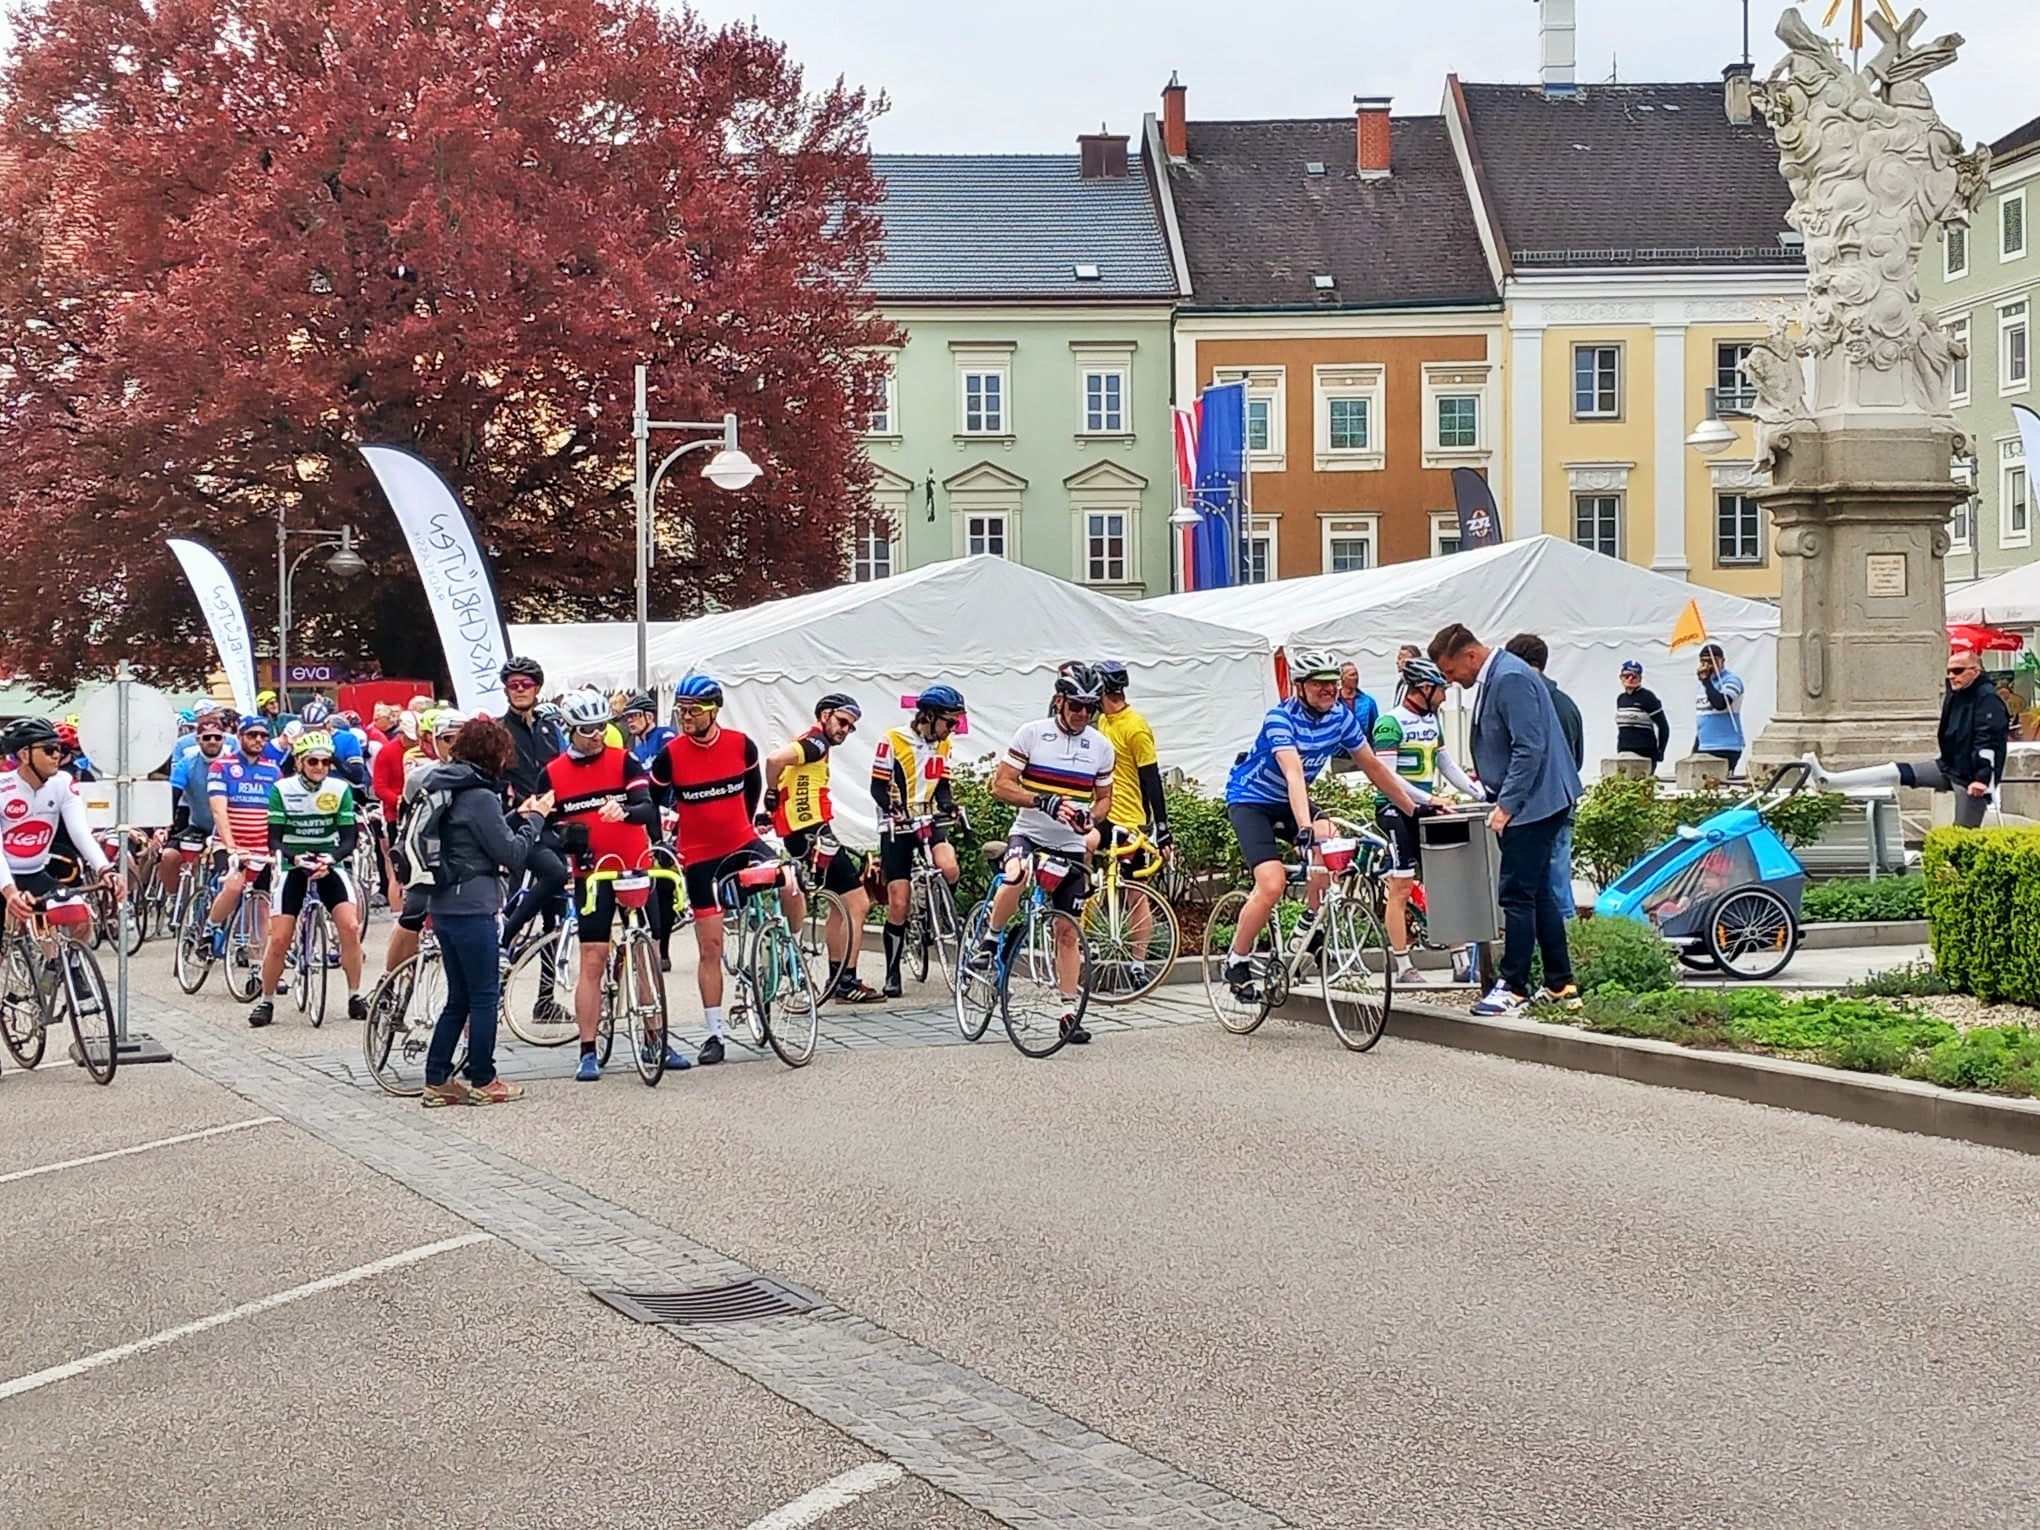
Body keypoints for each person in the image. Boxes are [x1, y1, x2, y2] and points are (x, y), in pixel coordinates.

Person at [1220, 649, 1422, 1001]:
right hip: (1252, 801)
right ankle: (1237, 958)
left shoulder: (1341, 717)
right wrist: (1304, 826)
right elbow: (1294, 773)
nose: (1329, 690)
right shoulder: (1279, 719)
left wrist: (1411, 809)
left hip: (1289, 801)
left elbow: (1374, 767)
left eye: (1333, 683)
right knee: (1271, 885)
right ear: (1300, 686)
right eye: (1319, 684)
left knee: (1331, 845)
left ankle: (1309, 926)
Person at [1429, 623, 1581, 1016]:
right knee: (1540, 893)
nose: (1452, 681)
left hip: (1533, 804)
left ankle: (1513, 985)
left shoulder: (1510, 677)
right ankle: (1560, 983)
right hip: (1540, 800)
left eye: (1450, 672)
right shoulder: (1505, 672)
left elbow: (1529, 748)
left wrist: (1507, 805)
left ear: (1470, 656)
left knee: (1515, 895)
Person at [652, 674, 803, 1066]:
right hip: (699, 854)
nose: (685, 717)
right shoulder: (672, 753)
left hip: (740, 841)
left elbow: (752, 789)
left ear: (713, 711)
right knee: (711, 947)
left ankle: (792, 946)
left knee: (790, 881)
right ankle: (715, 1033)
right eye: (681, 710)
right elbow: (650, 798)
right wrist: (656, 844)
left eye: (693, 711)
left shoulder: (740, 745)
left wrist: (748, 827)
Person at [546, 688, 689, 1081]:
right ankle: (587, 1049)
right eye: (587, 730)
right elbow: (541, 827)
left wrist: (624, 810)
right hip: (592, 875)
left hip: (634, 866)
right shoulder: (554, 772)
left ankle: (655, 1038)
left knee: (645, 958)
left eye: (601, 727)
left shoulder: (623, 760)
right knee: (592, 959)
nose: (596, 735)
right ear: (570, 730)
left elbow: (647, 807)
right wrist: (564, 840)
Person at [975, 664, 1117, 1045]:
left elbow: (1104, 800)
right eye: (1075, 706)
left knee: (1067, 931)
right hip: (1030, 833)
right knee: (1017, 873)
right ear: (1060, 700)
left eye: (1090, 708)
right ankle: (991, 939)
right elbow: (1001, 785)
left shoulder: (1101, 747)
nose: (1082, 715)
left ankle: (1068, 1012)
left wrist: (1092, 818)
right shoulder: (1033, 734)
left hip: (1070, 843)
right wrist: (1043, 801)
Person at [421, 717, 553, 1107]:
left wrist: (515, 817)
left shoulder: (449, 785)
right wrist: (536, 819)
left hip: (444, 902)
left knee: (458, 995)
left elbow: (475, 836)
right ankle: (483, 1077)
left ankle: (437, 1077)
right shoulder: (479, 795)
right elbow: (510, 853)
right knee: (483, 993)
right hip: (473, 903)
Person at [1808, 645, 2011, 828]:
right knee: (1897, 771)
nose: (1951, 676)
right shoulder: (1957, 693)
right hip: (1950, 766)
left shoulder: (1987, 698)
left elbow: (1989, 739)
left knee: (1964, 834)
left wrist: (1982, 778)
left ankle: (1956, 868)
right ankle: (1831, 781)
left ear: (1975, 672)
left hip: (1970, 777)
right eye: (1948, 671)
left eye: (1957, 671)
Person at [1371, 656, 1482, 984]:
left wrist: (1479, 793)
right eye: (1441, 689)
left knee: (1443, 882)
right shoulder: (1390, 723)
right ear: (1423, 688)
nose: (1446, 695)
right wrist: (1427, 798)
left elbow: (1446, 764)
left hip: (1425, 808)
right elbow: (1386, 776)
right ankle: (1404, 964)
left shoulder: (1433, 720)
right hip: (1395, 810)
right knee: (1401, 886)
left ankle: (1460, 960)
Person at [767, 693, 883, 1004]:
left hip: (809, 833)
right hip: (812, 834)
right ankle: (846, 981)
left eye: (851, 727)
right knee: (858, 904)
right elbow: (774, 760)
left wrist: (771, 804)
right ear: (825, 715)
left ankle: (838, 978)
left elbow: (787, 775)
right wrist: (769, 792)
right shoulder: (816, 743)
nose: (845, 730)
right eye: (842, 722)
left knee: (839, 905)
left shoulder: (813, 743)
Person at [246, 732, 367, 1028]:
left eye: (326, 762)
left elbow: (349, 837)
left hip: (328, 862)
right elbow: (273, 837)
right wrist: (296, 858)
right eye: (313, 761)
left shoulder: (339, 789)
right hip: (293, 864)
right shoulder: (282, 789)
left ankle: (355, 995)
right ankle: (267, 999)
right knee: (280, 938)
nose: (320, 767)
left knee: (350, 926)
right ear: (300, 762)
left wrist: (331, 859)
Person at [870, 684, 966, 997]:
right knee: (898, 901)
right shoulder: (893, 740)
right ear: (929, 715)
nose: (952, 728)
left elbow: (942, 784)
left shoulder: (943, 743)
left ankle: (932, 914)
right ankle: (893, 970)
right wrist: (893, 810)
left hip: (927, 817)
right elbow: (877, 788)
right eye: (949, 722)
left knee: (949, 867)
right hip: (896, 824)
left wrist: (950, 804)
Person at [1090, 660, 1171, 976]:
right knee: (1081, 856)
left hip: (1129, 820)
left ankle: (1138, 964)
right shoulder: (1102, 721)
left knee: (1136, 892)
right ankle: (1083, 921)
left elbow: (1152, 778)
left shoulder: (1135, 727)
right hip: (1103, 812)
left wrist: (1161, 827)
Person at [1503, 634, 1584, 921]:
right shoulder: (1567, 704)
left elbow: (1526, 754)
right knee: (1559, 876)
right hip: (1565, 802)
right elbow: (1577, 758)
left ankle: (1559, 944)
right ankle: (1569, 940)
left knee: (1540, 884)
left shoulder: (1528, 702)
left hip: (1535, 808)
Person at [498, 655, 569, 968]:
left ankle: (545, 999)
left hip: (551, 821)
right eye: (513, 685)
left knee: (554, 915)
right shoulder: (499, 731)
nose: (519, 690)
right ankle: (501, 942)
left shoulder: (549, 728)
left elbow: (564, 768)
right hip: (517, 824)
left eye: (525, 684)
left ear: (537, 688)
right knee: (554, 873)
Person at [204, 714, 283, 952]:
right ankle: (209, 928)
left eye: (263, 736)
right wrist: (230, 846)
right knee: (234, 886)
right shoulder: (222, 766)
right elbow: (219, 810)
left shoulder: (273, 770)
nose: (258, 740)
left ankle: (256, 966)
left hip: (261, 849)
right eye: (252, 735)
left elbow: (277, 813)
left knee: (262, 904)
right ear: (240, 736)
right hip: (228, 844)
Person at [619, 689, 682, 969]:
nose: (630, 721)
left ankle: (664, 950)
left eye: (635, 716)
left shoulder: (665, 737)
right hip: (649, 820)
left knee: (666, 883)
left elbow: (674, 767)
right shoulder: (635, 749)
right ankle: (652, 942)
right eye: (627, 716)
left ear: (649, 716)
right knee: (650, 881)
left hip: (673, 813)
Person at [161, 718, 229, 911]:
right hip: (198, 824)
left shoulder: (232, 763)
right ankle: (174, 897)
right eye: (207, 738)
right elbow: (173, 795)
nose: (213, 741)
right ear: (198, 740)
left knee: (222, 867)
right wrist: (164, 826)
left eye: (217, 737)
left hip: (227, 827)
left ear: (223, 739)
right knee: (168, 856)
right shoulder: (187, 763)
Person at [1694, 641, 1746, 776]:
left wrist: (1706, 681)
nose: (1707, 666)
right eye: (1703, 662)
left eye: (1711, 662)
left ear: (1722, 661)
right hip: (1704, 745)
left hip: (1726, 745)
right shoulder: (1705, 686)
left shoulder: (1731, 680)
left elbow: (1720, 703)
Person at [1614, 659, 1672, 769]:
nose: (1630, 679)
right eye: (1627, 676)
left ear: (1640, 678)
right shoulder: (1621, 699)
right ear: (1621, 677)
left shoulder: (1648, 697)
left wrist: (1661, 751)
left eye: (1634, 676)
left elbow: (1663, 726)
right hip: (1624, 749)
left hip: (1644, 750)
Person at [1335, 662, 1379, 738]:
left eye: (1356, 674)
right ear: (1342, 678)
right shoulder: (1334, 702)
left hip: (1363, 746)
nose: (1356, 677)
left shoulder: (1368, 702)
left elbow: (1375, 730)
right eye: (1352, 675)